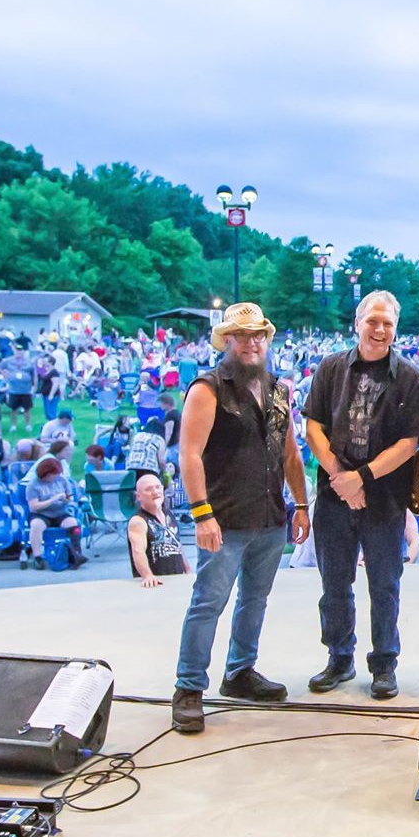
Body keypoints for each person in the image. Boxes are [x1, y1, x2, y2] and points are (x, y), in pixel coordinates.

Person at [173, 303, 309, 733]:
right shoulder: (208, 388)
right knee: (208, 602)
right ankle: (189, 686)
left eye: (259, 336)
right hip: (224, 517)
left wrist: (302, 504)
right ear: (227, 340)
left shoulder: (278, 389)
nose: (252, 343)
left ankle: (240, 671)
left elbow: (290, 454)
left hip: (269, 516)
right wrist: (201, 514)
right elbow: (189, 456)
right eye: (243, 336)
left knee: (255, 600)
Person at [303, 292, 419, 701]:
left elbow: (410, 442)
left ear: (396, 327)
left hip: (386, 496)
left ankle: (384, 662)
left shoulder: (410, 376)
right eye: (372, 321)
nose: (379, 329)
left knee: (385, 584)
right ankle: (339, 657)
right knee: (334, 582)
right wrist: (342, 476)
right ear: (357, 322)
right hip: (334, 492)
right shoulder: (331, 368)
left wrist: (363, 478)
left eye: (387, 323)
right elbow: (314, 428)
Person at [22, 457, 85, 570]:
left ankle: (76, 552)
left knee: (73, 523)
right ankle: (37, 557)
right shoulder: (33, 484)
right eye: (52, 474)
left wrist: (65, 500)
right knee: (36, 526)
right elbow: (34, 506)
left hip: (59, 512)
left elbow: (70, 499)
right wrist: (52, 499)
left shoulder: (62, 480)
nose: (55, 476)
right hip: (41, 513)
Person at [128, 471, 187, 587]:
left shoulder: (169, 515)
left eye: (157, 487)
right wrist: (147, 575)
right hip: (155, 581)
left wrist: (188, 570)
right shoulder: (138, 521)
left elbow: (178, 545)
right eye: (148, 489)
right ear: (138, 496)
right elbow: (137, 551)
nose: (155, 492)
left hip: (178, 578)